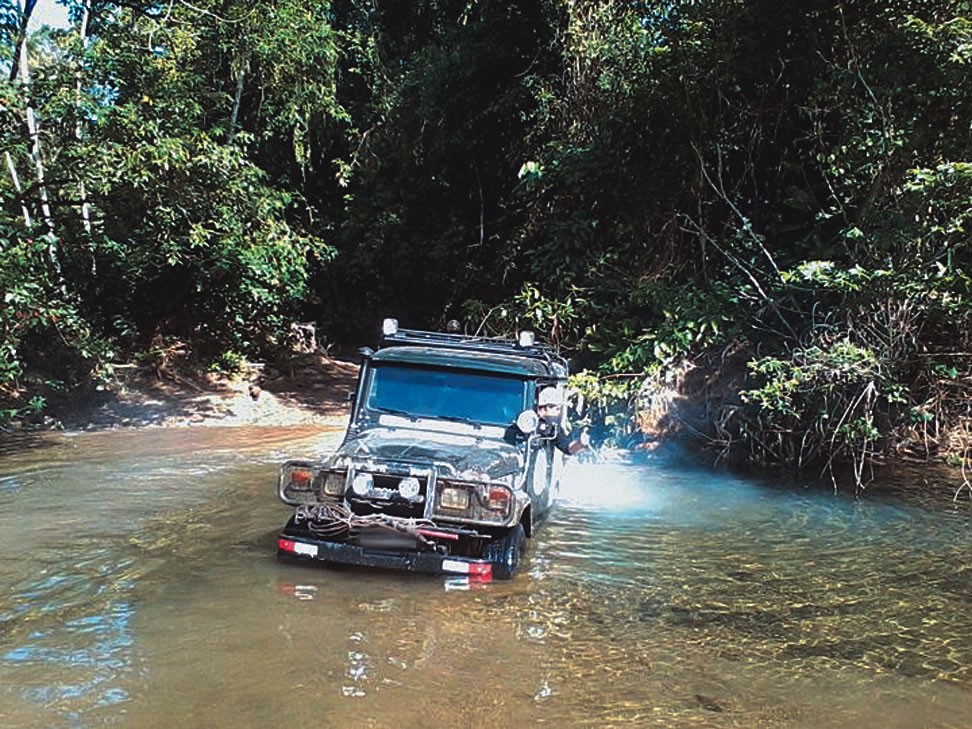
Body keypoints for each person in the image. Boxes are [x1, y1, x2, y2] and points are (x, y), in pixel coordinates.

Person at [536, 387, 590, 455]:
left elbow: (567, 448)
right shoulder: (528, 423)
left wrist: (580, 444)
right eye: (557, 409)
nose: (558, 413)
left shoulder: (552, 428)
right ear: (545, 408)